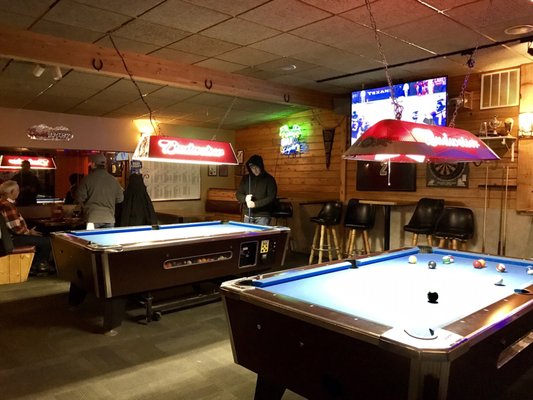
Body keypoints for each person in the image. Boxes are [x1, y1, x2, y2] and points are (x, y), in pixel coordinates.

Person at [0, 180, 54, 275]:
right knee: (48, 241)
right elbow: (16, 228)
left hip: (7, 239)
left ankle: (35, 265)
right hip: (12, 239)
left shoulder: (2, 203)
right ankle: (39, 265)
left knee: (41, 239)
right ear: (12, 192)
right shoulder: (8, 206)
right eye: (17, 190)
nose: (19, 192)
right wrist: (29, 232)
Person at [76, 153, 124, 229]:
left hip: (92, 218)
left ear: (93, 164)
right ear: (104, 165)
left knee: (91, 240)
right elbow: (120, 199)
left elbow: (79, 198)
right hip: (109, 218)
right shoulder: (114, 180)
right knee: (107, 240)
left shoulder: (87, 179)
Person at [236, 154, 277, 226]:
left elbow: (271, 197)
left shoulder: (269, 179)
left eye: (256, 167)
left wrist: (255, 204)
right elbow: (238, 194)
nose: (254, 170)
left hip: (263, 216)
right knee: (248, 237)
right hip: (248, 215)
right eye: (252, 168)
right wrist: (245, 198)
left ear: (261, 166)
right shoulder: (246, 178)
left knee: (262, 237)